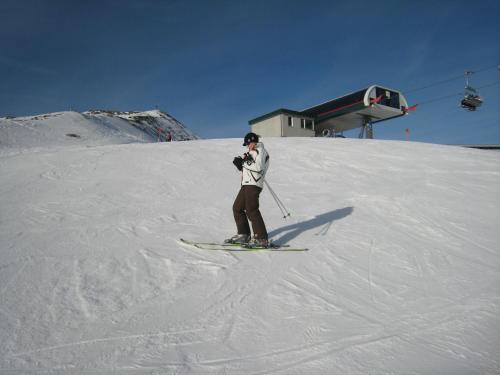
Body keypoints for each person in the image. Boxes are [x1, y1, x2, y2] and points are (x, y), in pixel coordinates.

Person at [225, 132, 270, 247]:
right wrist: (240, 165)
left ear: (253, 141)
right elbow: (249, 167)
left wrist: (244, 163)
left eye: (248, 144)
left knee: (251, 210)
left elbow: (258, 167)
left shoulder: (261, 151)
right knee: (237, 208)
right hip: (246, 184)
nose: (247, 146)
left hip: (254, 184)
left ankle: (261, 238)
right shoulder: (251, 152)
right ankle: (244, 234)